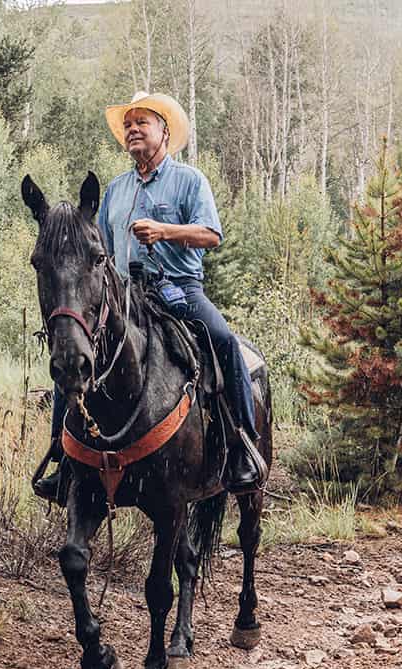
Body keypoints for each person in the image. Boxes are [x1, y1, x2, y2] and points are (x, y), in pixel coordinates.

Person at [33, 90, 264, 502]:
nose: (132, 130)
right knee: (73, 354)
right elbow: (97, 248)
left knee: (225, 341)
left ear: (164, 130)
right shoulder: (118, 189)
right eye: (128, 125)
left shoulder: (189, 180)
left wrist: (165, 231)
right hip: (124, 297)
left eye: (142, 122)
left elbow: (211, 234)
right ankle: (62, 459)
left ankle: (244, 446)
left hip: (179, 290)